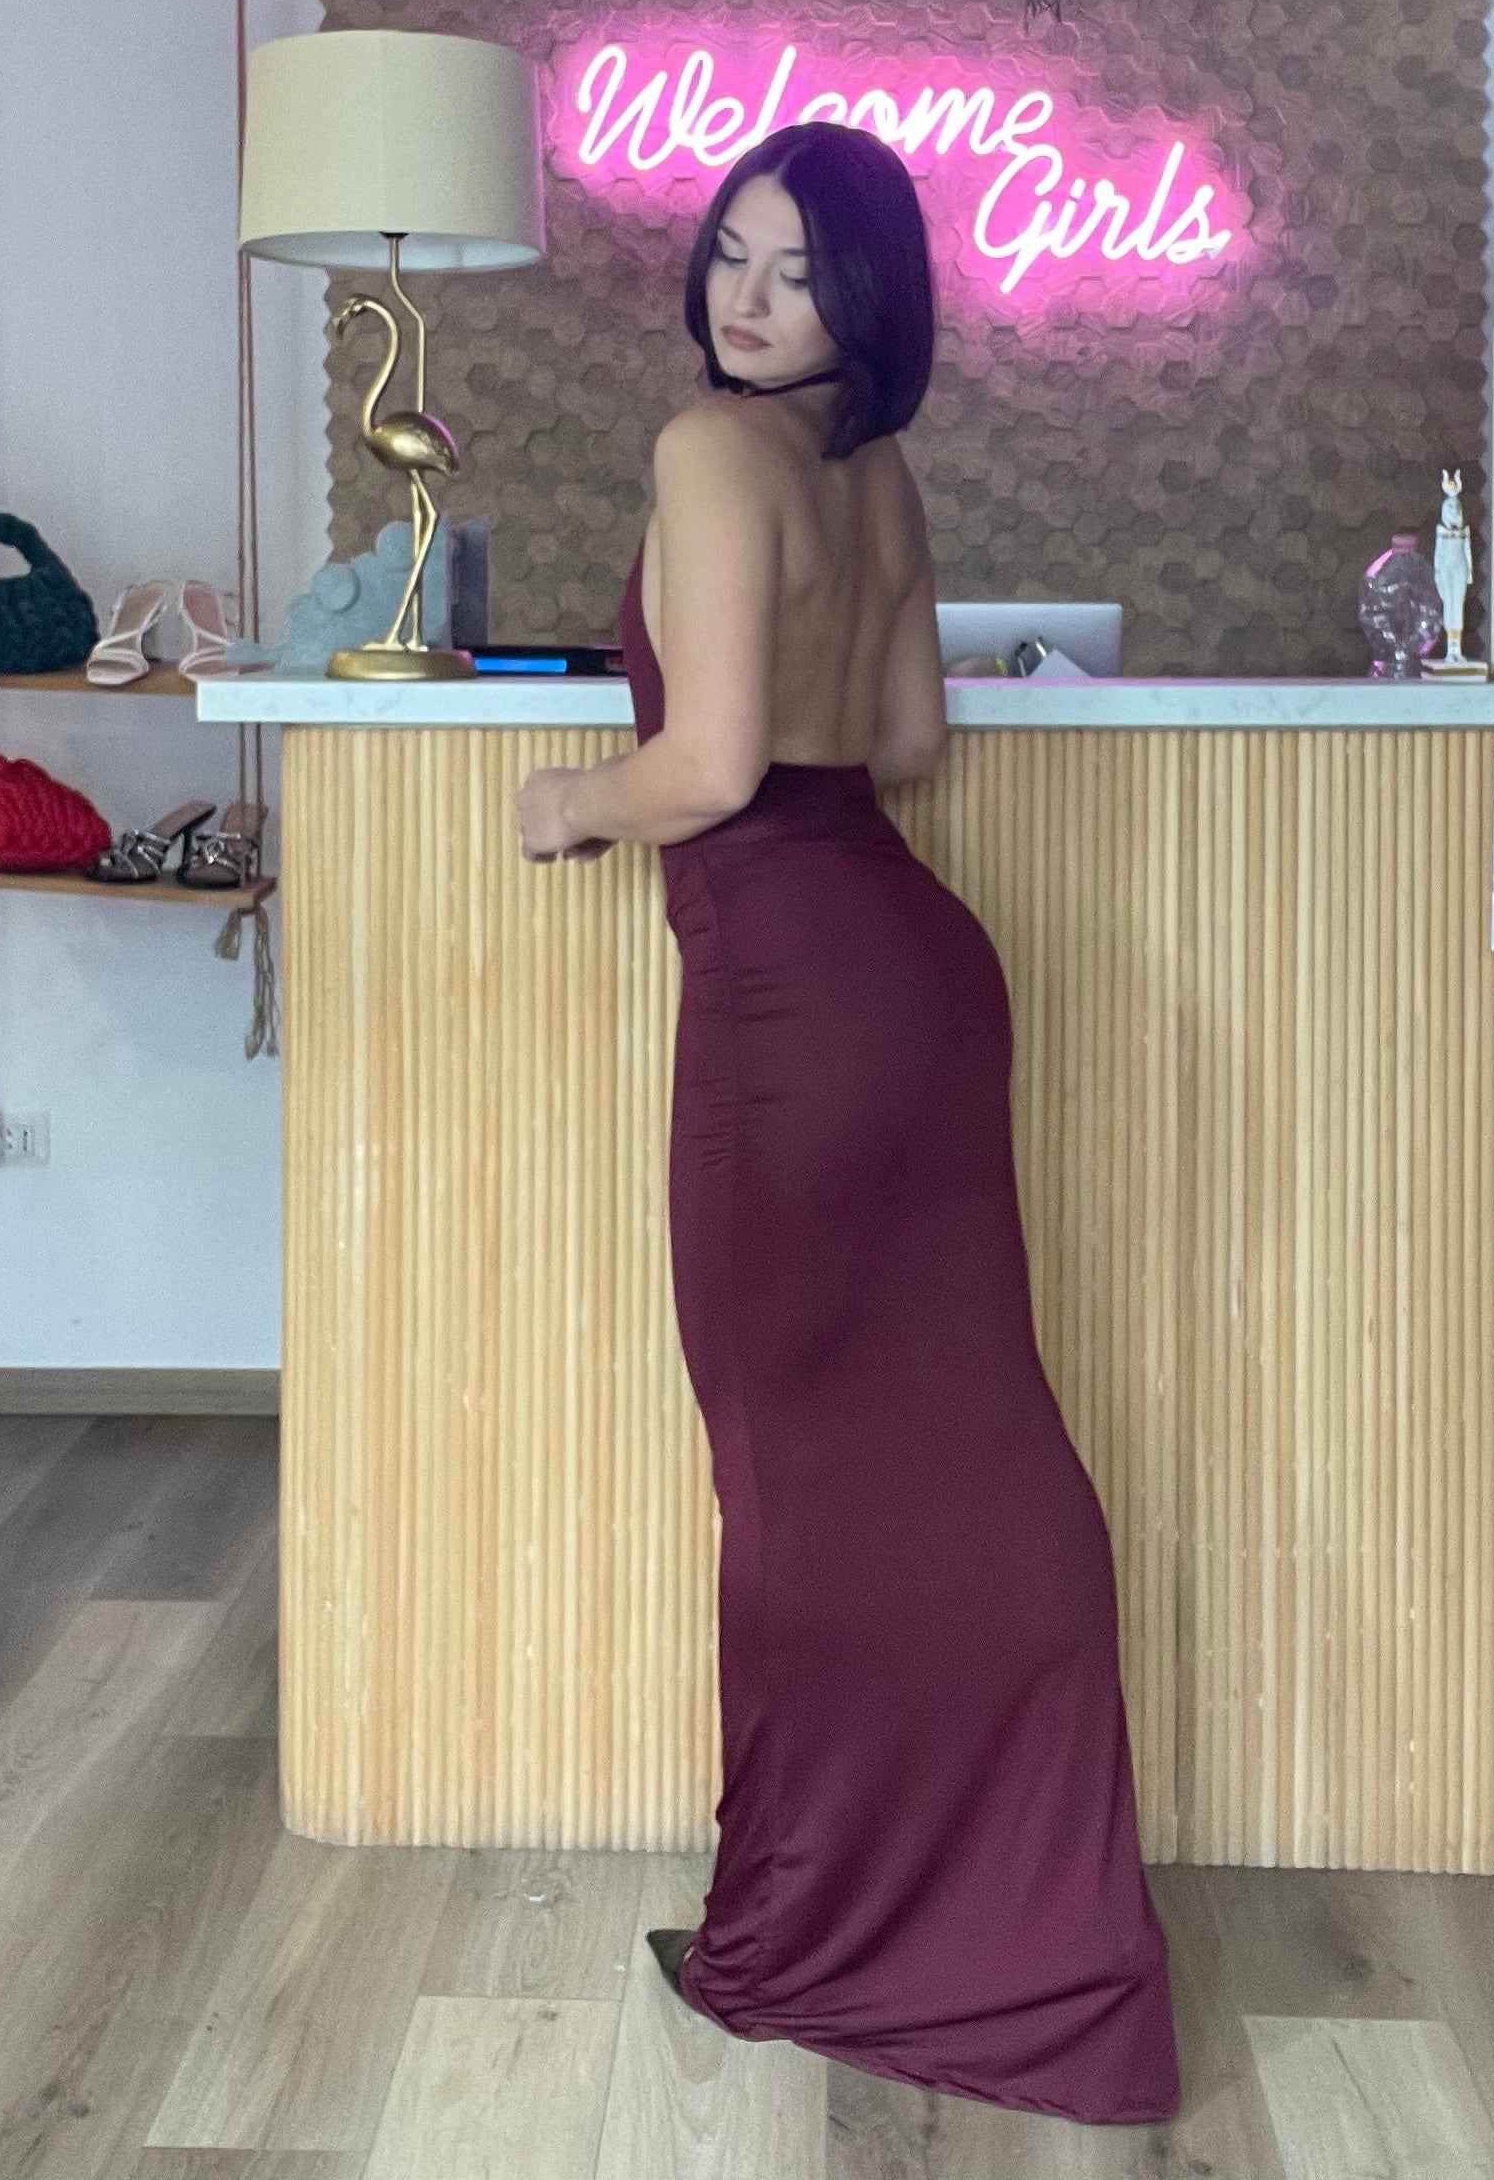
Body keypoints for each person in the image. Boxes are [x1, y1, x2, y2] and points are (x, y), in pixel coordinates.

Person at [514, 121, 1181, 2127]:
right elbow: (905, 736)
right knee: (973, 1453)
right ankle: (1022, 1923)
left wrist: (571, 801)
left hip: (793, 1008)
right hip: (920, 971)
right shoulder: (879, 473)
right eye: (732, 250)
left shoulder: (708, 452)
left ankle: (804, 1938)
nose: (746, 295)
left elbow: (712, 766)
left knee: (797, 1484)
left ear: (867, 294)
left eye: (797, 269)